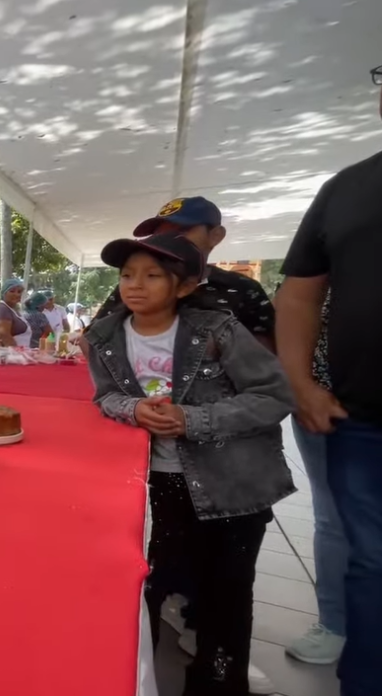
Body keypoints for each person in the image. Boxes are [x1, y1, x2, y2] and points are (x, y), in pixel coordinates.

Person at [86, 233, 294, 696]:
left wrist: (192, 418)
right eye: (126, 275)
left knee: (226, 594)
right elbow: (105, 396)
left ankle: (220, 680)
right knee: (149, 589)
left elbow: (274, 396)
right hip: (155, 485)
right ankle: (138, 681)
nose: (134, 285)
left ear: (184, 286)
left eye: (152, 275)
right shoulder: (102, 335)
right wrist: (132, 409)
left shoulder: (217, 330)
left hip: (230, 485)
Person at [277, 68, 382, 696]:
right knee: (369, 561)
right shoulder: (346, 188)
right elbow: (299, 296)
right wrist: (301, 383)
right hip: (360, 420)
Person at [93, 196, 275, 349]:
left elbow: (268, 353)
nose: (168, 241)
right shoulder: (135, 286)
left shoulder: (242, 288)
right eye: (160, 234)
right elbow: (94, 339)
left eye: (181, 231)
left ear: (215, 235)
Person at [282, 289, 348, 665]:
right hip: (326, 400)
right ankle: (335, 623)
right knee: (333, 516)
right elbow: (291, 302)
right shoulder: (330, 242)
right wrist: (301, 386)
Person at [0, 278, 30, 348]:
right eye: (12, 291)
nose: (16, 294)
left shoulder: (12, 310)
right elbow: (3, 334)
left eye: (19, 292)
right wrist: (16, 353)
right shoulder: (2, 309)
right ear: (4, 293)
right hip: (10, 355)